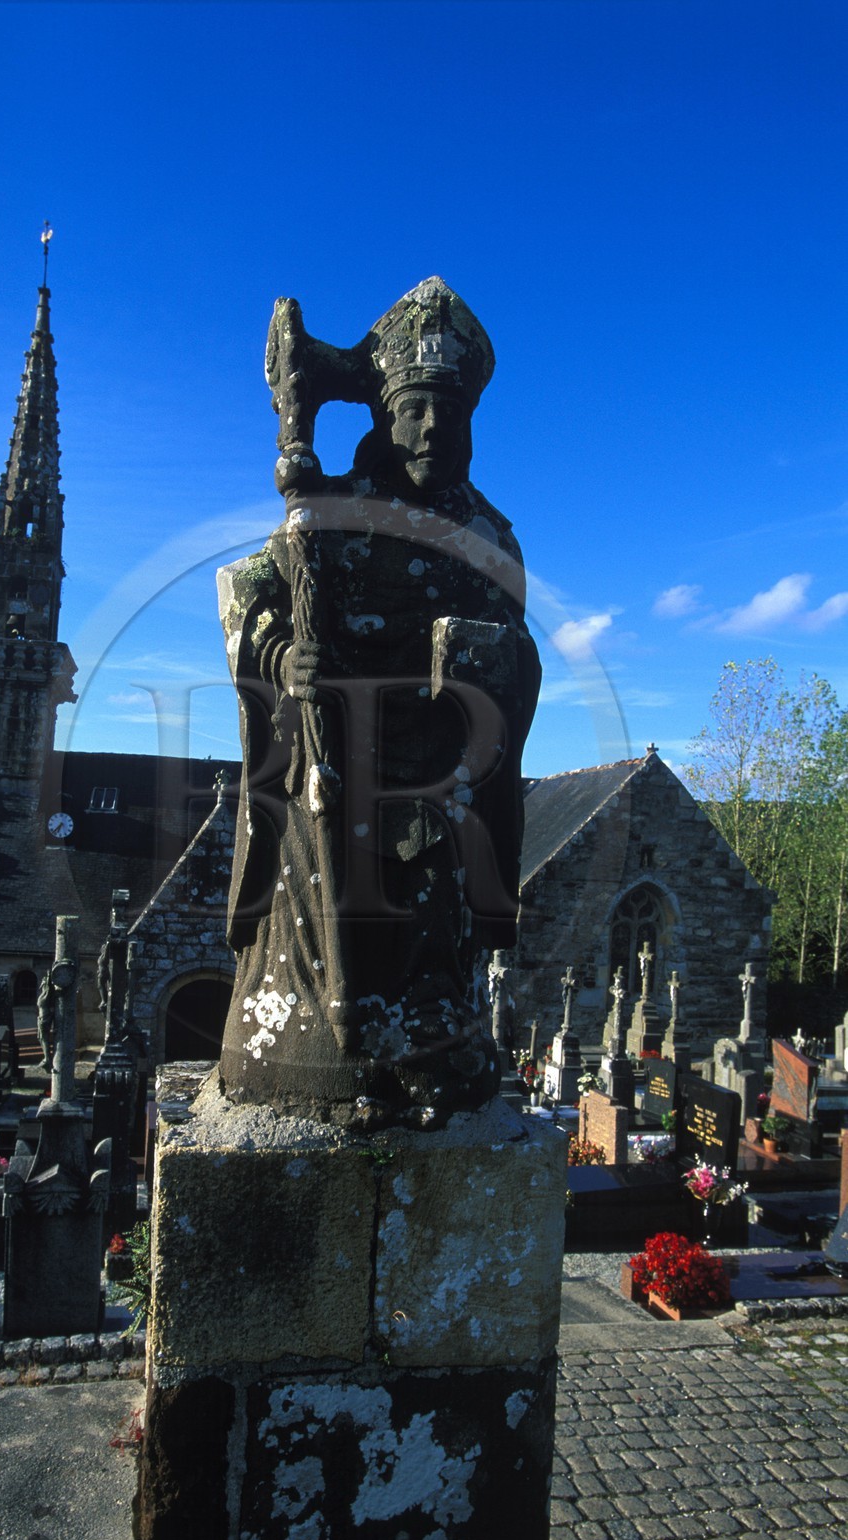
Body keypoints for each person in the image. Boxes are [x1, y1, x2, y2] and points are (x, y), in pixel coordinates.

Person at [217, 279, 540, 1128]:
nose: (435, 427)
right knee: (321, 834)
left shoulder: (493, 539)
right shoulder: (330, 515)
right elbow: (245, 597)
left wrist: (490, 661)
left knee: (440, 865)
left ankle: (431, 1035)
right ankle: (326, 1043)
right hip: (331, 757)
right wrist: (283, 656)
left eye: (451, 412)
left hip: (445, 769)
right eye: (416, 410)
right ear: (383, 420)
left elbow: (520, 649)